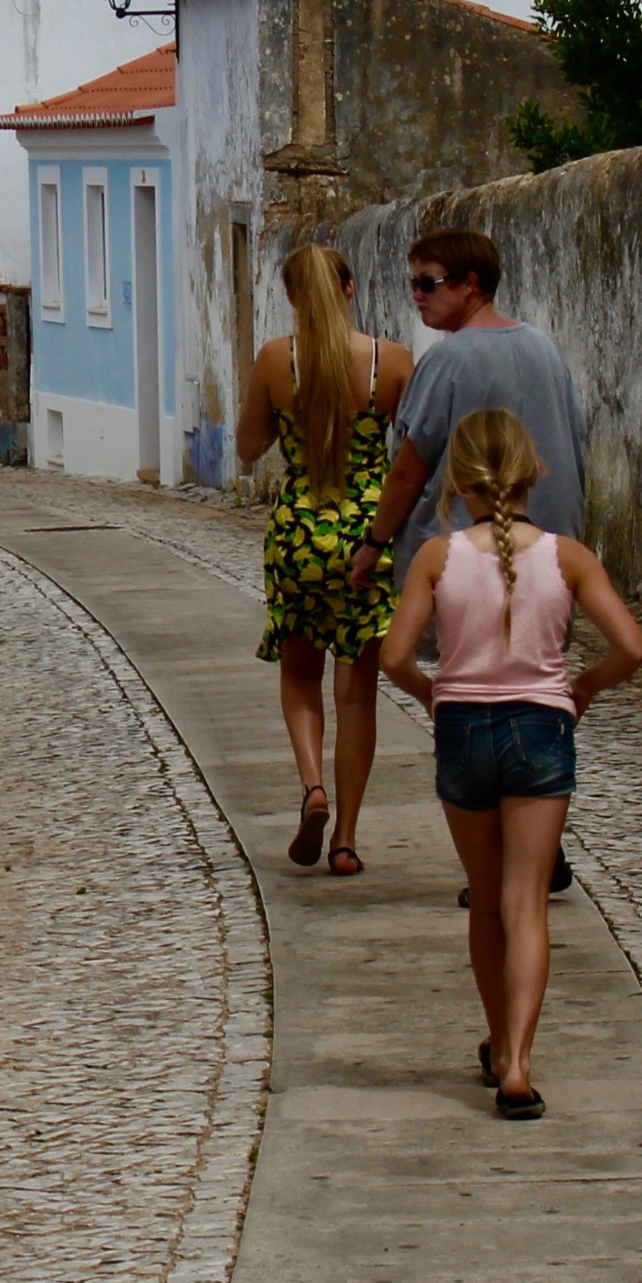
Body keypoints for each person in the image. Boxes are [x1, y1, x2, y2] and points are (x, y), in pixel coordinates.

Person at [380, 409, 642, 1121]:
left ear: (457, 482)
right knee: (526, 902)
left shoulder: (437, 559)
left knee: (484, 894)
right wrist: (582, 687)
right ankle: (520, 1067)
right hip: (540, 729)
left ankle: (498, 1041)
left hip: (463, 729)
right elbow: (631, 647)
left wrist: (434, 695)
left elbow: (394, 656)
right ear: (536, 472)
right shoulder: (568, 557)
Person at [349, 227, 590, 898]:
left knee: (477, 694)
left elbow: (408, 469)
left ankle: (502, 862)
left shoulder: (448, 363)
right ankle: (542, 847)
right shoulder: (544, 348)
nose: (418, 297)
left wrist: (374, 544)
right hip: (548, 546)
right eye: (413, 284)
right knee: (528, 684)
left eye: (430, 283)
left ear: (470, 285)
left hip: (469, 550)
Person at [235, 243, 414, 876]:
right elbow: (417, 454)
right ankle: (346, 837)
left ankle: (310, 786)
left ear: (290, 297)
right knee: (357, 694)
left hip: (298, 534)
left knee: (299, 673)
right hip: (369, 537)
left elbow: (249, 448)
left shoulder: (274, 362)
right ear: (350, 287)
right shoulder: (389, 363)